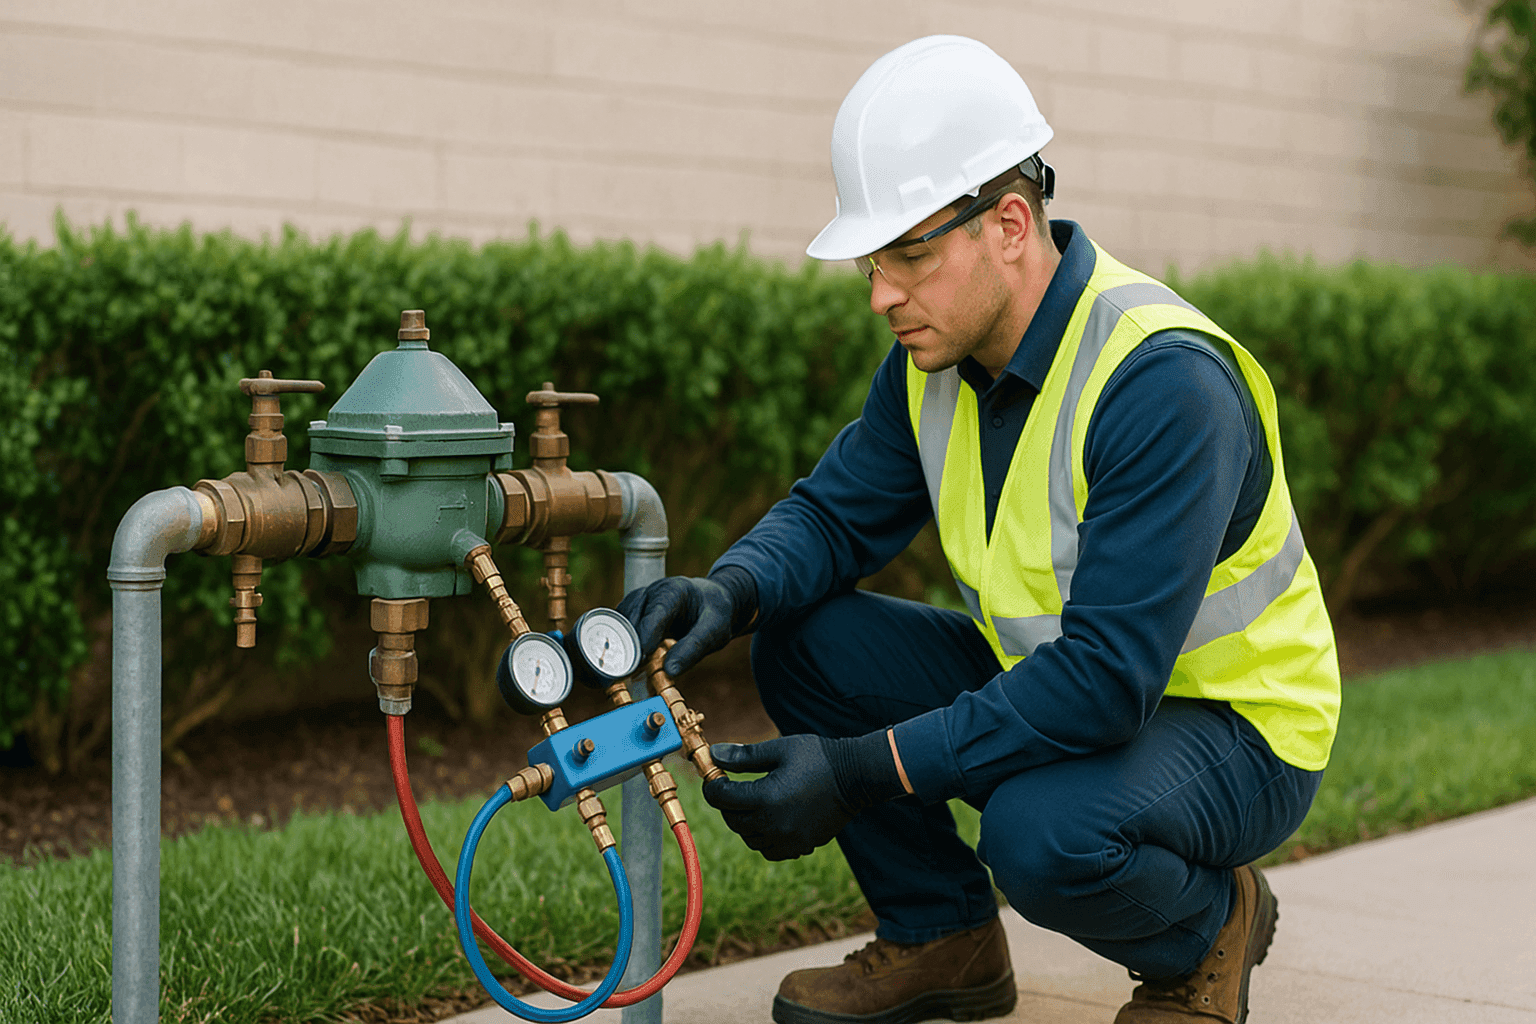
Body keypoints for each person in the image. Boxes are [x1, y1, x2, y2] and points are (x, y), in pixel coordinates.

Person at [618, 35, 1340, 1024]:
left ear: (1009, 223)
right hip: (1077, 688)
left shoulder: (1162, 382)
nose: (883, 293)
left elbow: (1104, 680)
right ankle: (940, 936)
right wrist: (728, 591)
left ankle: (1208, 927)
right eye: (873, 261)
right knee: (805, 639)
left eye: (911, 254)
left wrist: (858, 771)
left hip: (1236, 728)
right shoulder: (936, 365)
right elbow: (833, 515)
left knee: (1041, 834)